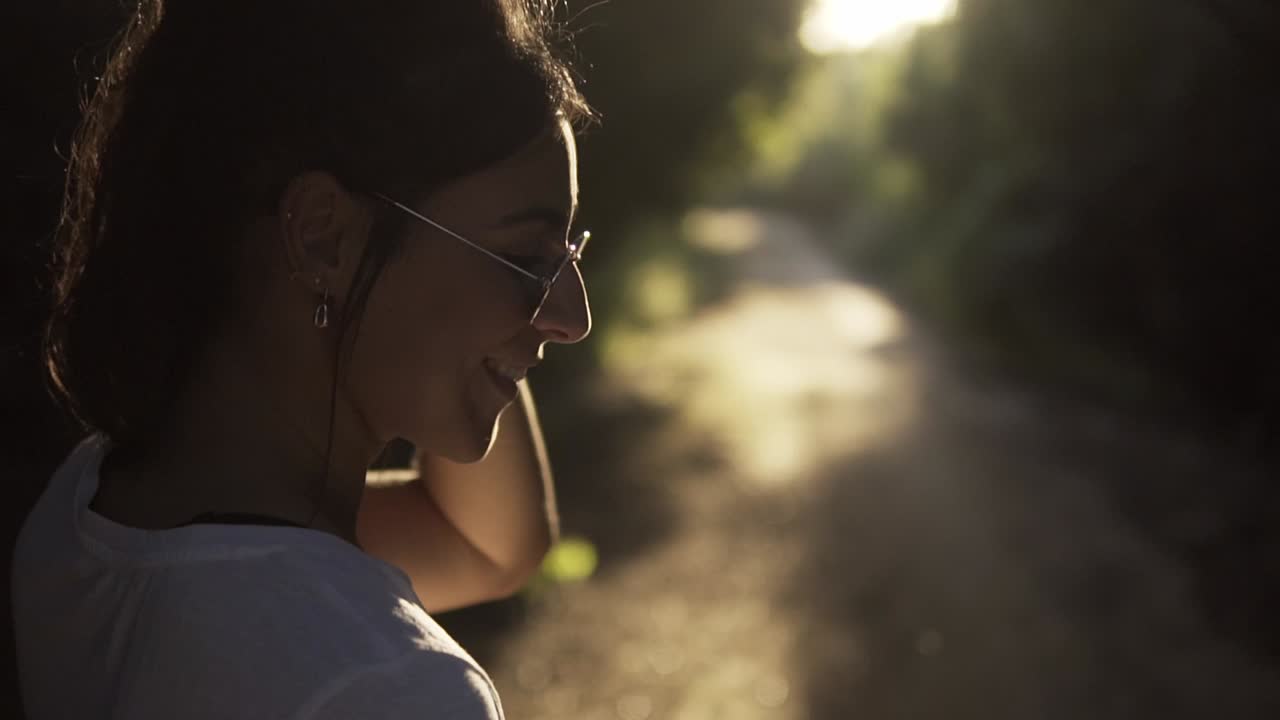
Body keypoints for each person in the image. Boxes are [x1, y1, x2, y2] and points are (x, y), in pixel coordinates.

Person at [10, 0, 595, 717]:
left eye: (568, 254)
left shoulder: (88, 509)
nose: (573, 319)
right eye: (527, 258)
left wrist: (499, 327)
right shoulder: (388, 687)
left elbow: (491, 547)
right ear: (324, 237)